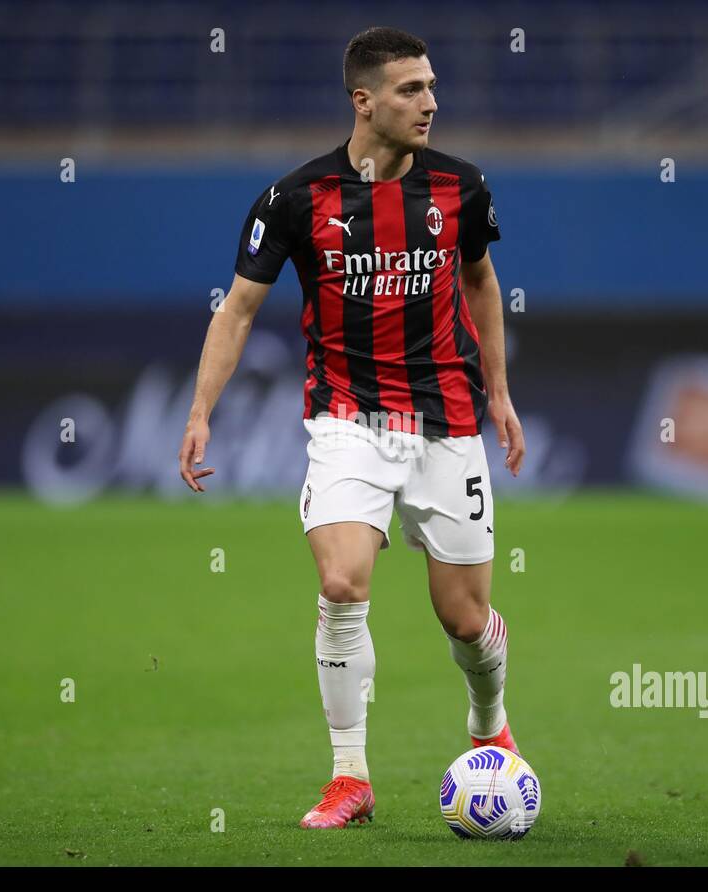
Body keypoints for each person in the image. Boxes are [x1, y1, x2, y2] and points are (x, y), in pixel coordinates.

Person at [178, 26, 526, 828]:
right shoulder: (294, 200)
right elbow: (236, 312)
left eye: (433, 86)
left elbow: (480, 280)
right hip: (347, 421)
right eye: (411, 89)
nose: (430, 102)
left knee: (466, 621)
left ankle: (489, 725)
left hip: (445, 420)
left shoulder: (462, 188)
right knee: (341, 586)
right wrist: (201, 411)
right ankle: (350, 777)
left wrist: (499, 393)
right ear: (363, 100)